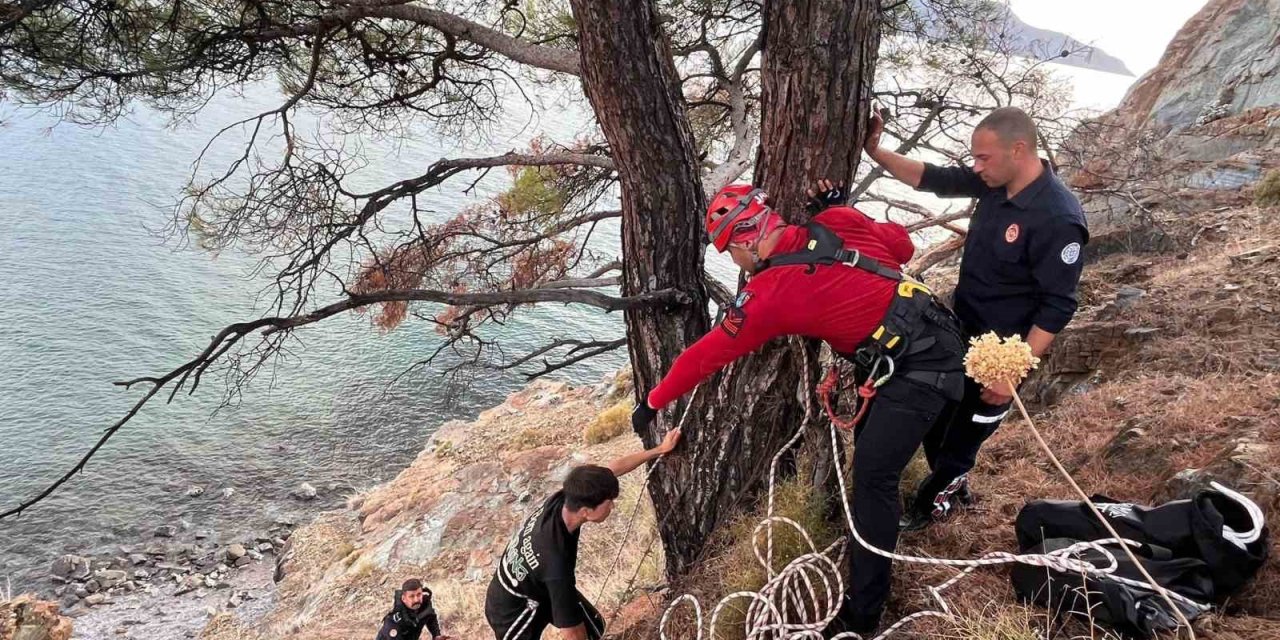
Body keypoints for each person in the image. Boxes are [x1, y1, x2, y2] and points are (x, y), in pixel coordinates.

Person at [629, 182, 968, 636]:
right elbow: (901, 247)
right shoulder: (836, 220)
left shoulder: (768, 295)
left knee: (874, 480)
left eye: (731, 252)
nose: (736, 262)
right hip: (932, 337)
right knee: (872, 461)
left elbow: (703, 357)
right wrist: (846, 212)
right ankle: (894, 524)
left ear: (747, 238)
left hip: (921, 370)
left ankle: (862, 616)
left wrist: (652, 402)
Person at [863, 106, 1089, 531]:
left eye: (983, 158)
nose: (976, 167)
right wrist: (876, 152)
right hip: (958, 332)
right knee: (938, 422)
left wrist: (1012, 372)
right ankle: (953, 490)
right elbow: (933, 178)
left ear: (1018, 150)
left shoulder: (1058, 218)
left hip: (1002, 354)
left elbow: (1058, 305)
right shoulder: (994, 181)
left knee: (963, 440)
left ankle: (932, 508)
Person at [485, 428, 683, 640]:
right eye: (609, 503)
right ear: (586, 512)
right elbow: (572, 633)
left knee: (594, 627)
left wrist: (659, 449)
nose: (612, 507)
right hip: (513, 611)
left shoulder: (569, 497)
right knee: (580, 633)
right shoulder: (556, 563)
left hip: (535, 582)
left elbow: (612, 469)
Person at [375, 578, 450, 640]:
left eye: (419, 594)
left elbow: (430, 617)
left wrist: (436, 635)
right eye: (411, 596)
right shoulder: (394, 621)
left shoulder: (425, 605)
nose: (416, 600)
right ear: (404, 599)